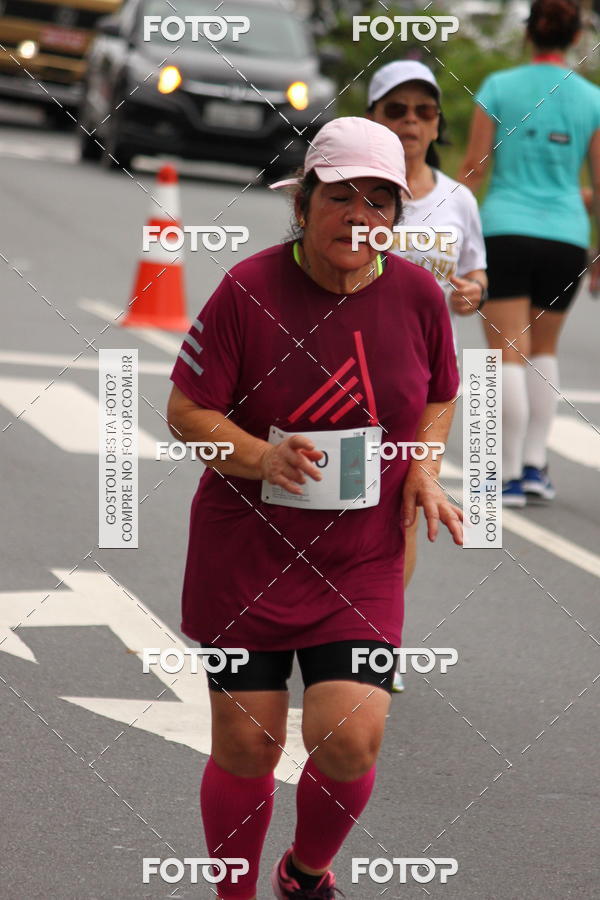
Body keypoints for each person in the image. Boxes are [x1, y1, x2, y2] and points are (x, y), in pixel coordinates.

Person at [167, 116, 462, 900]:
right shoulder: (248, 289)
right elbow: (186, 411)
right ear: (302, 204)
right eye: (342, 198)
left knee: (349, 736)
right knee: (246, 741)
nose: (361, 218)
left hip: (361, 556)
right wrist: (262, 456)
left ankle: (305, 876)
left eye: (381, 202)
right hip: (246, 556)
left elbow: (440, 396)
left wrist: (424, 470)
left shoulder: (417, 293)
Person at [366, 60, 487, 691]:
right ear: (375, 119)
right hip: (350, 372)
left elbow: (475, 278)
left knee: (405, 505)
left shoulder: (458, 199)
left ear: (438, 124)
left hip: (427, 385)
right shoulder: (358, 189)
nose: (411, 123)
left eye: (424, 112)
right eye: (396, 110)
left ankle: (377, 637)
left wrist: (470, 295)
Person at [458, 0, 600, 506]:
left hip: (505, 230)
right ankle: (537, 467)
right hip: (566, 237)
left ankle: (507, 474)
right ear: (577, 35)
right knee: (543, 351)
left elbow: (474, 167)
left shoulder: (499, 86)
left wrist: (450, 224)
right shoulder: (591, 98)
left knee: (504, 357)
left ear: (528, 33)